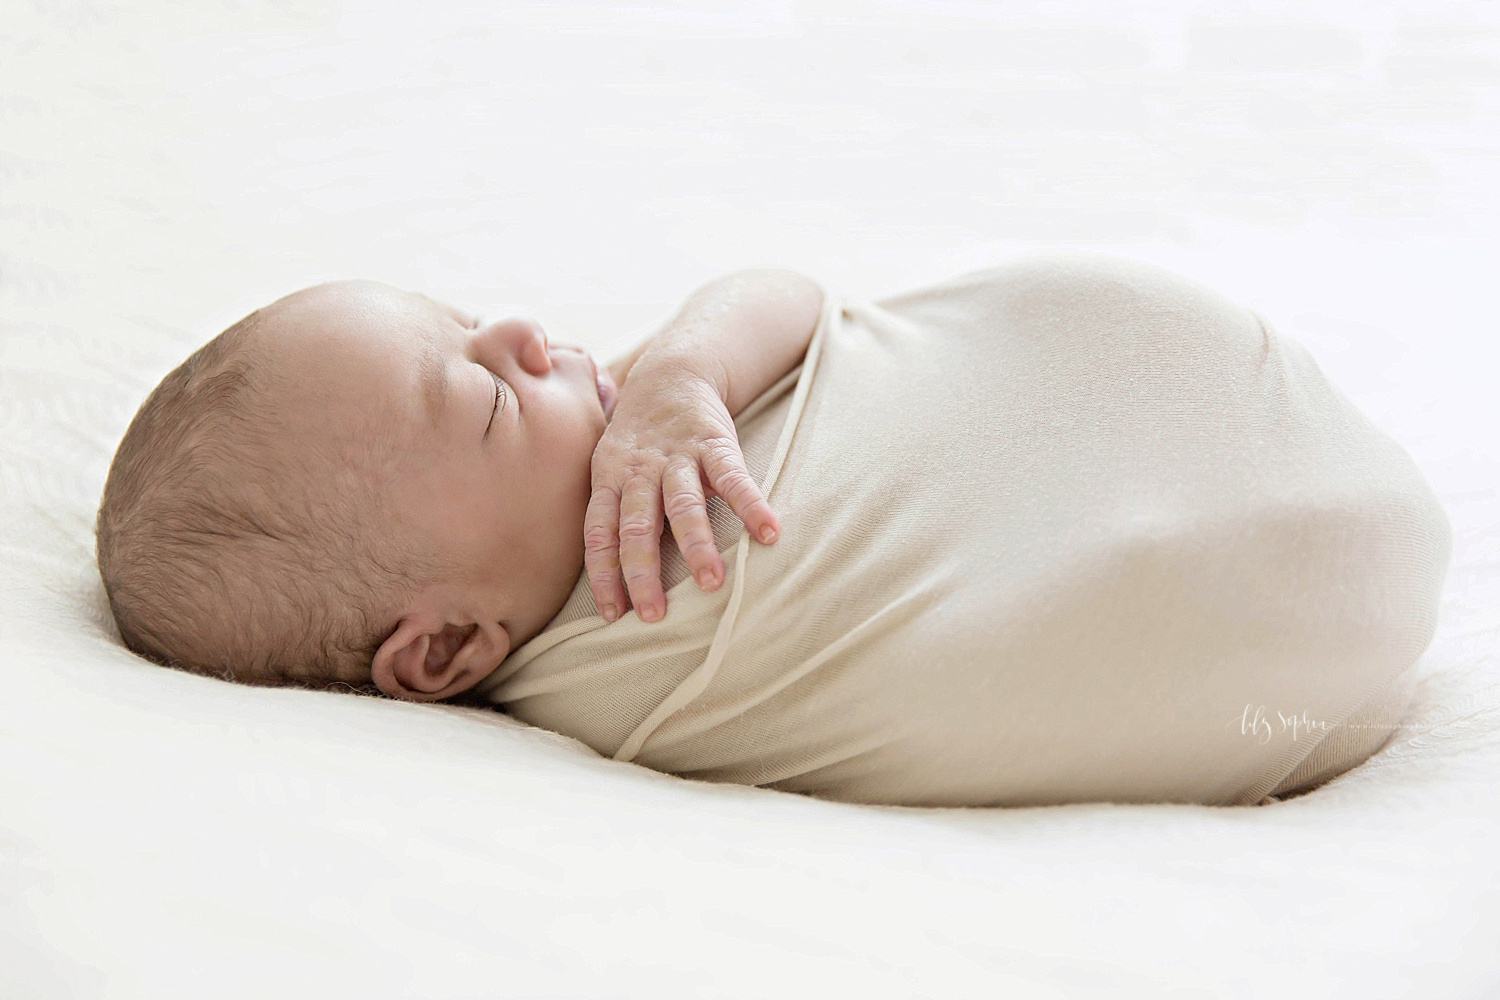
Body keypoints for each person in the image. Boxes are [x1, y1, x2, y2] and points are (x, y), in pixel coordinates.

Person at [96, 253, 1451, 806]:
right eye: (487, 399)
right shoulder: (615, 695)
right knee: (1105, 599)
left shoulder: (648, 417)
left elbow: (789, 293)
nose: (520, 332)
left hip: (1158, 403)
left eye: (468, 321)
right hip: (1278, 645)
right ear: (442, 652)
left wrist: (689, 374)